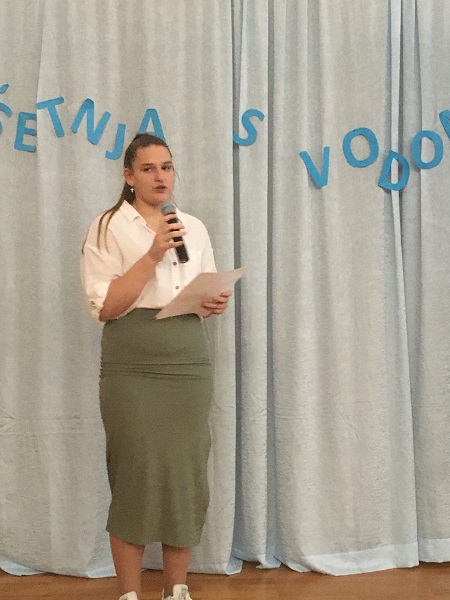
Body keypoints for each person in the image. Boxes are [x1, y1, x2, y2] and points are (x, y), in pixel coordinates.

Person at [81, 133, 231, 600]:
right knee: (135, 471)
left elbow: (199, 292)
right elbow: (106, 307)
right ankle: (129, 592)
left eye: (166, 167)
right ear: (129, 176)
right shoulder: (107, 227)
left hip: (186, 358)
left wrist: (213, 302)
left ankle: (176, 588)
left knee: (185, 471)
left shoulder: (193, 227)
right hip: (132, 361)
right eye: (148, 168)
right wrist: (151, 255)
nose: (160, 176)